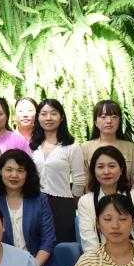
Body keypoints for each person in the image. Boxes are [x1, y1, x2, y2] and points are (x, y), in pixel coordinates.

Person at [0, 150, 58, 266]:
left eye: (20, 170)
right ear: (0, 171)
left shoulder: (40, 200)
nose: (14, 175)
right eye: (9, 169)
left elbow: (48, 241)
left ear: (27, 174)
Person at [30, 99, 85, 243]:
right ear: (38, 118)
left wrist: (73, 202)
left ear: (61, 118)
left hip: (62, 204)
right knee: (37, 244)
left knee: (61, 245)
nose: (48, 118)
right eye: (44, 114)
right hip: (34, 202)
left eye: (53, 113)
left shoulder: (72, 146)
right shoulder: (32, 147)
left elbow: (79, 180)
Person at [78, 146, 134, 252]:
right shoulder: (85, 201)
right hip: (98, 259)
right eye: (100, 167)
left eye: (112, 166)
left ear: (121, 169)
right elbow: (89, 243)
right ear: (94, 171)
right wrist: (104, 261)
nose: (106, 171)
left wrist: (130, 260)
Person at [81, 100, 134, 182]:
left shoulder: (132, 149)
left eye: (114, 116)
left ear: (119, 121)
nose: (109, 121)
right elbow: (84, 182)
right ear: (95, 122)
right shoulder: (85, 148)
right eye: (103, 117)